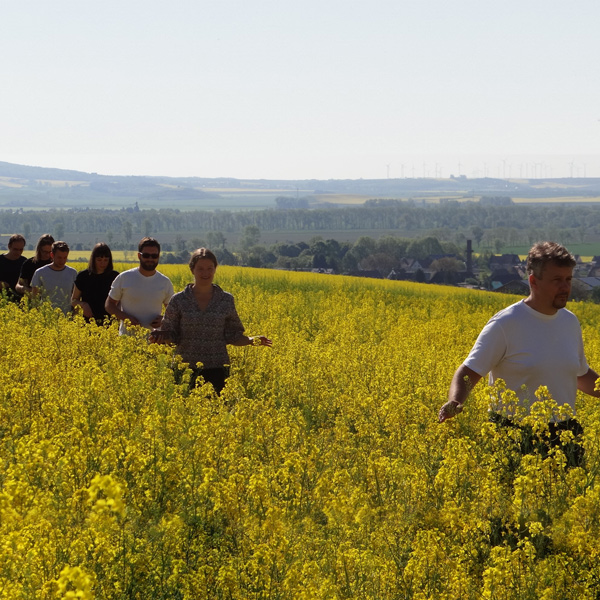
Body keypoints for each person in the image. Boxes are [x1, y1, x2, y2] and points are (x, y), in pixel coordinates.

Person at [438, 241, 600, 464]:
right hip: (514, 434)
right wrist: (455, 401)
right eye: (556, 280)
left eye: (568, 279)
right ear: (533, 281)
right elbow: (469, 370)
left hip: (564, 436)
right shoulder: (506, 324)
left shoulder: (570, 322)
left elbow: (580, 374)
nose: (565, 287)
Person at [149, 247, 272, 394]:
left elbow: (233, 335)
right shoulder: (179, 300)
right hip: (185, 368)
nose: (205, 273)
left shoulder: (225, 300)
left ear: (215, 269)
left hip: (218, 369)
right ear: (192, 269)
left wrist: (253, 340)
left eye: (209, 268)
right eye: (200, 268)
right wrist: (160, 337)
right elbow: (171, 333)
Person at [105, 237, 174, 335]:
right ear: (139, 256)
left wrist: (164, 320)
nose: (150, 259)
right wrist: (126, 318)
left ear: (158, 257)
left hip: (154, 342)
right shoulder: (125, 277)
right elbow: (109, 305)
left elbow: (173, 313)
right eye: (146, 255)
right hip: (127, 341)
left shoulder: (165, 282)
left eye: (154, 256)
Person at [71, 243, 119, 323]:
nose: (102, 263)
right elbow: (73, 301)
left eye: (105, 260)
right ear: (93, 259)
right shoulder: (83, 276)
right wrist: (83, 305)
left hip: (110, 324)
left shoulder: (115, 277)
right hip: (87, 322)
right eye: (99, 260)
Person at [30, 240, 78, 315]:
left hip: (67, 318)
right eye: (59, 257)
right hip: (46, 317)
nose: (62, 261)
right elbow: (35, 299)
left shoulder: (72, 273)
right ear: (52, 255)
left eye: (65, 257)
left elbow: (76, 299)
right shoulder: (40, 273)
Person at [0, 234, 27, 301]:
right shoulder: (0, 260)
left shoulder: (25, 262)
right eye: (15, 249)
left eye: (21, 249)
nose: (18, 252)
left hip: (20, 301)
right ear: (9, 246)